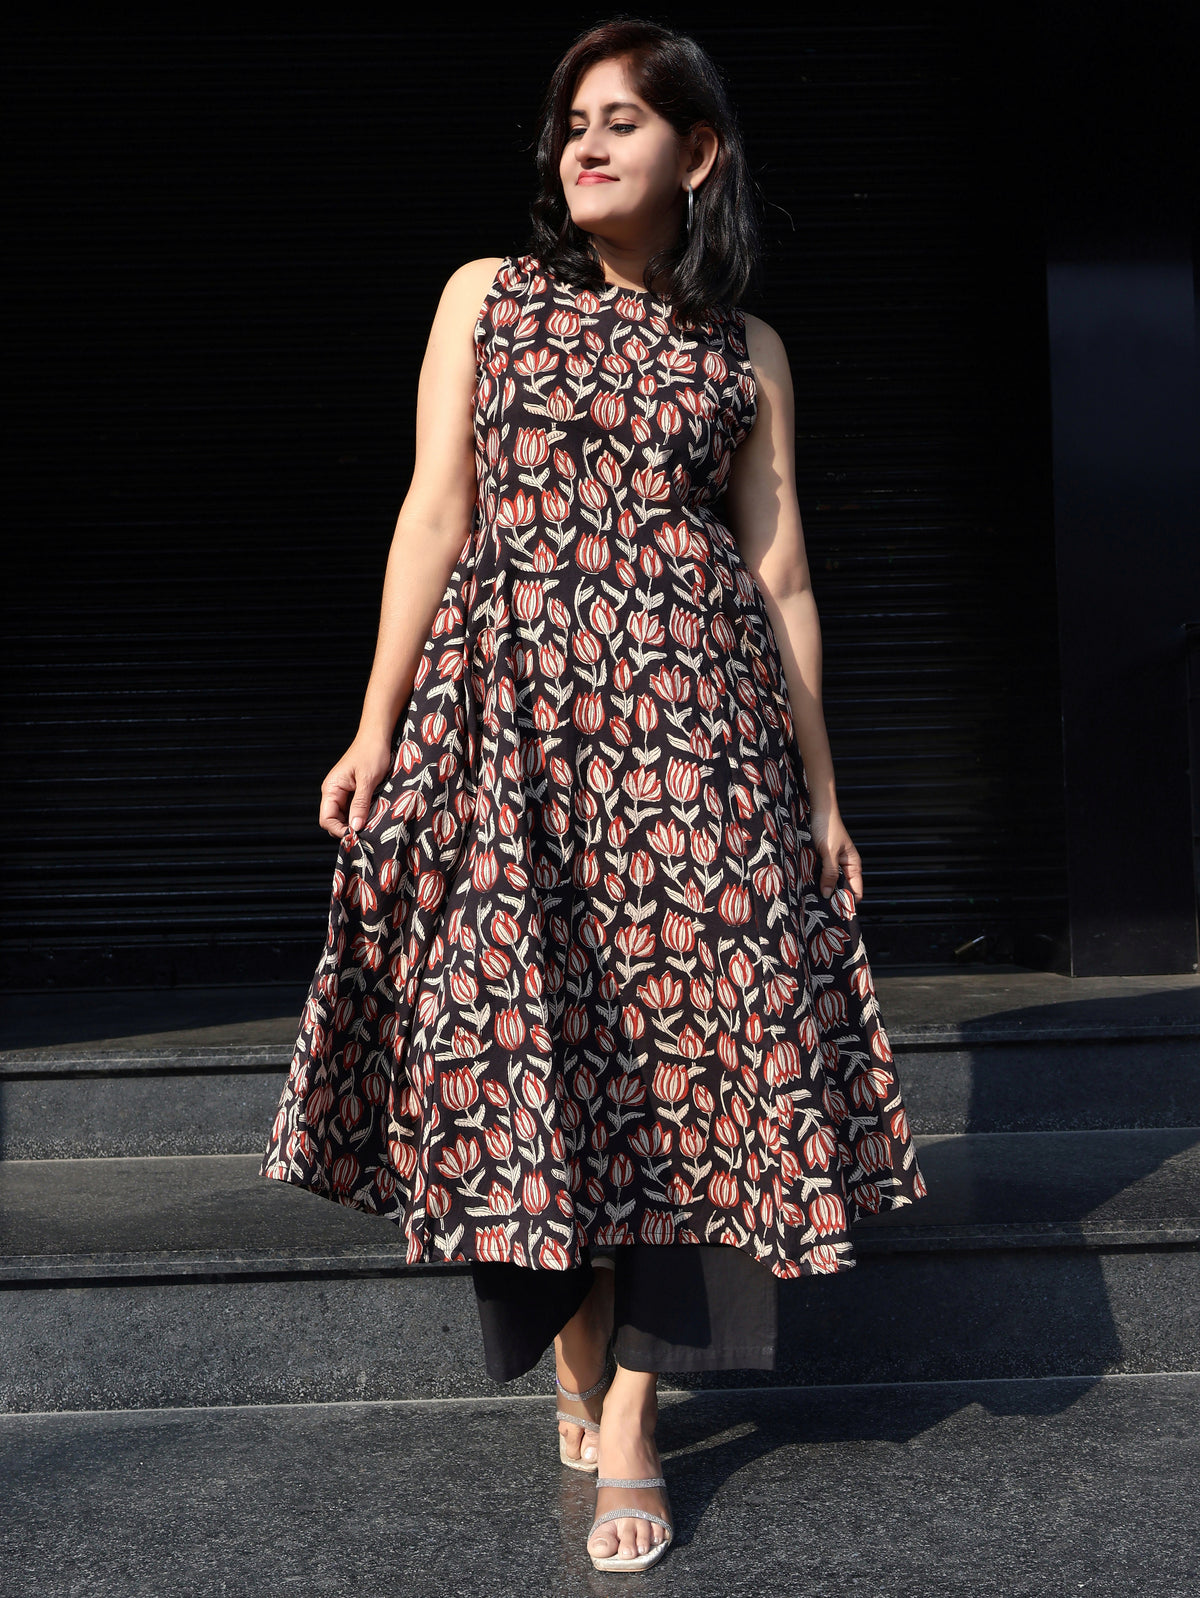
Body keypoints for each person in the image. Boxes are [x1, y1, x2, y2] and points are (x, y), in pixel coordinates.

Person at [259, 17, 928, 1574]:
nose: (586, 143)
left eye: (625, 118)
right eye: (574, 119)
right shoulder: (486, 299)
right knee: (520, 1040)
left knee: (699, 1054)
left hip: (697, 733)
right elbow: (434, 514)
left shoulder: (743, 349)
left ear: (700, 152)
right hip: (510, 727)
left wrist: (821, 790)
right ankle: (570, 1329)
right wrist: (373, 726)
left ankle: (634, 1405)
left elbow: (783, 572)